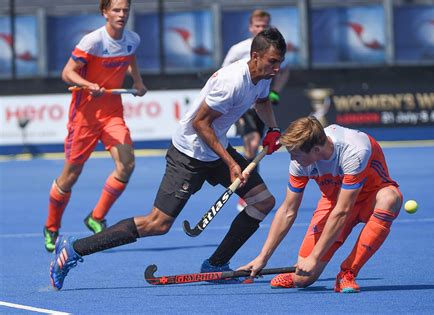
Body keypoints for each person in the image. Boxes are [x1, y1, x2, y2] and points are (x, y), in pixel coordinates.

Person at [49, 27, 287, 290]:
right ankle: (74, 248)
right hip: (189, 153)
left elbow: (263, 101)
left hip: (216, 148)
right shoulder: (231, 81)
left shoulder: (263, 75)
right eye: (272, 62)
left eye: (280, 63)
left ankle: (216, 263)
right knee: (157, 223)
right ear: (255, 56)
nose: (277, 68)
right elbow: (200, 123)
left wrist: (273, 129)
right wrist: (231, 164)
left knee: (263, 201)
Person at [239, 116, 403, 293]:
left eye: (295, 154)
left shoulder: (354, 150)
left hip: (370, 197)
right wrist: (263, 257)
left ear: (316, 150)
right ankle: (297, 274)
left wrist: (315, 256)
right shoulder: (299, 163)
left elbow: (342, 211)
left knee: (390, 198)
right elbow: (287, 210)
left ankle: (348, 273)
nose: (292, 159)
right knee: (302, 279)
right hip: (334, 202)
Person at [42, 0, 147, 253]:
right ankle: (51, 226)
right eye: (116, 10)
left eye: (125, 10)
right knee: (71, 175)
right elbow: (68, 73)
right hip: (84, 118)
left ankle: (96, 217)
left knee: (126, 165)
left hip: (112, 115)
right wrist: (88, 85)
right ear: (105, 12)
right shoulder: (92, 41)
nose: (122, 14)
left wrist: (139, 82)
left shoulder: (132, 39)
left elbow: (130, 59)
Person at [222, 9, 290, 211]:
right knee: (251, 145)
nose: (261, 29)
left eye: (265, 26)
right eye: (258, 26)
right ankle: (247, 192)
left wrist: (275, 91)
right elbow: (224, 72)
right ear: (251, 27)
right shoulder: (238, 49)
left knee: (255, 147)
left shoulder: (274, 50)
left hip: (260, 102)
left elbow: (284, 70)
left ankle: (251, 188)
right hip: (242, 106)